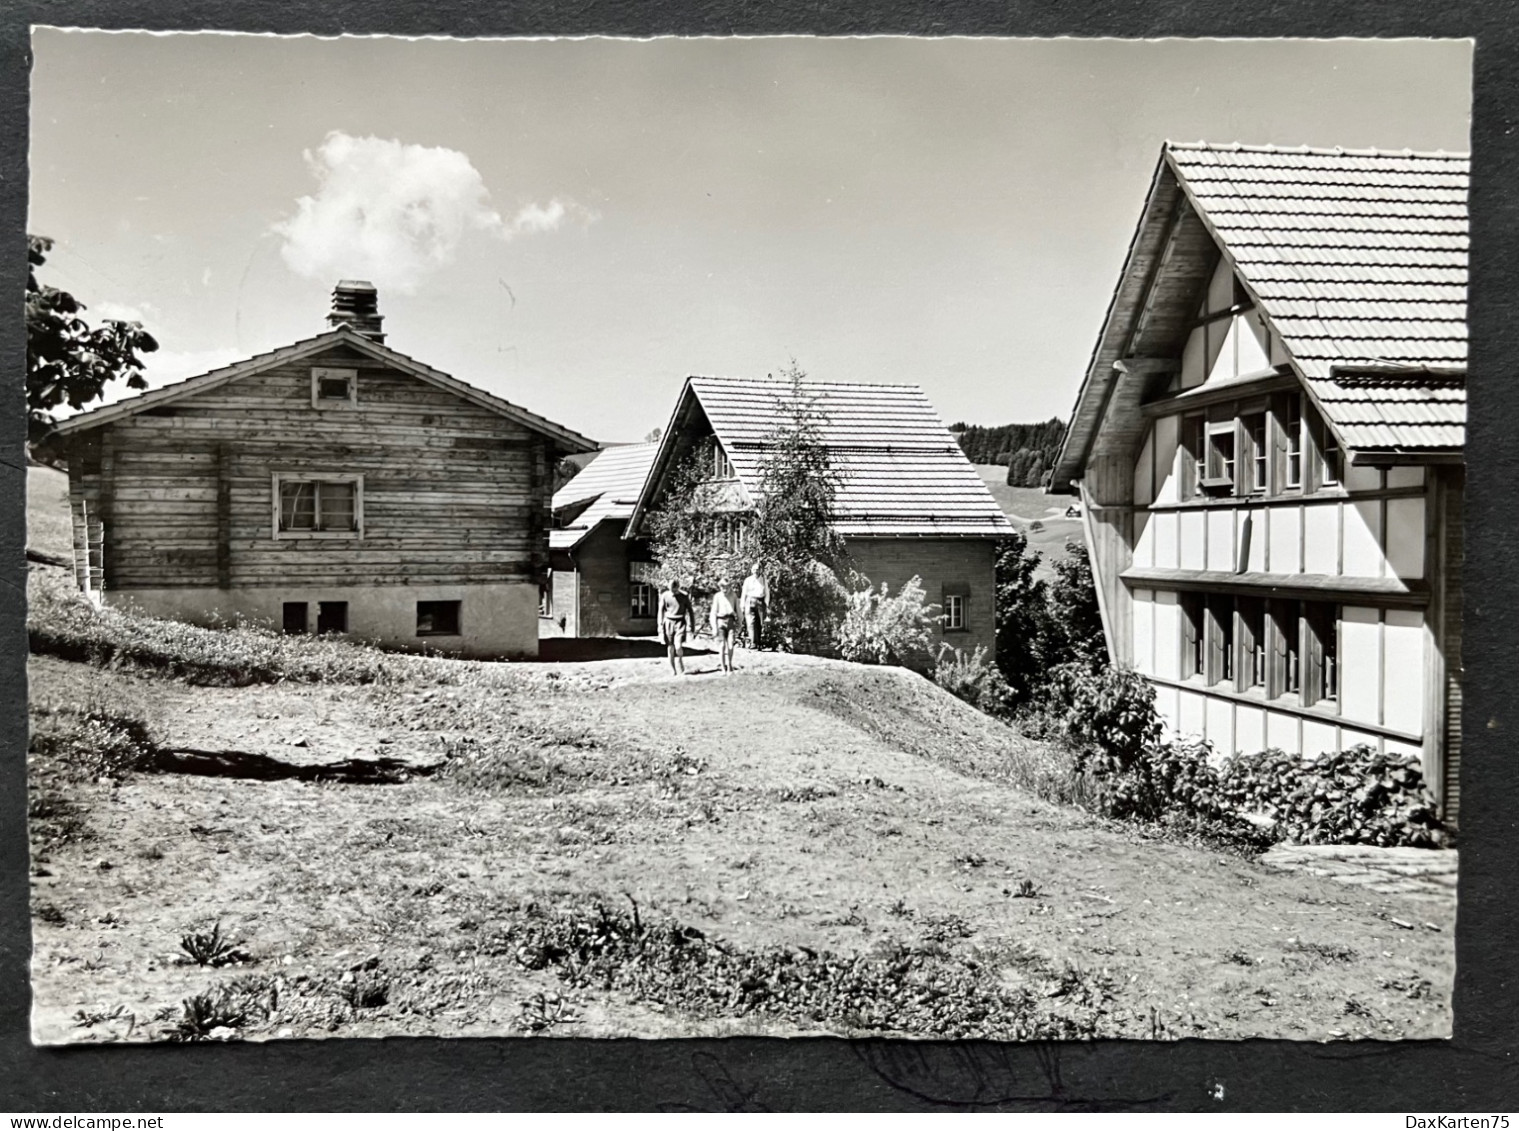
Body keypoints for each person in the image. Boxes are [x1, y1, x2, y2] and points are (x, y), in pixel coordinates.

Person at [657, 577, 695, 676]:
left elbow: (690, 611)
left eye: (674, 589)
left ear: (678, 587)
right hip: (668, 622)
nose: (672, 591)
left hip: (680, 622)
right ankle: (673, 670)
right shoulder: (665, 596)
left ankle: (680, 660)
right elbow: (660, 611)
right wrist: (660, 625)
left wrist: (692, 626)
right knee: (670, 647)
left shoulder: (684, 596)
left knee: (678, 645)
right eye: (670, 589)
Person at [709, 584, 738, 672]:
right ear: (720, 588)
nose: (724, 589)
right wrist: (714, 627)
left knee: (730, 644)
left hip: (730, 621)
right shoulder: (717, 596)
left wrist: (739, 624)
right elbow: (713, 612)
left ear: (729, 587)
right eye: (722, 587)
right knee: (722, 646)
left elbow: (738, 611)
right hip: (720, 621)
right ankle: (723, 667)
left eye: (726, 587)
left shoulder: (733, 596)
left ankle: (729, 665)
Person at [740, 562, 769, 650]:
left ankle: (758, 643)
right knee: (750, 622)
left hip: (760, 601)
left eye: (757, 569)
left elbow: (767, 593)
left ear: (760, 570)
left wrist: (766, 604)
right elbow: (744, 593)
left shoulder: (763, 580)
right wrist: (742, 605)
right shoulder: (748, 580)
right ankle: (753, 643)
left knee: (760, 623)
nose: (756, 571)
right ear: (751, 570)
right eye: (754, 569)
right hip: (749, 601)